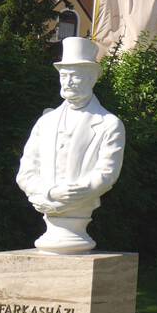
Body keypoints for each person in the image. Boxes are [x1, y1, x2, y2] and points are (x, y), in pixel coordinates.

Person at [16, 37, 125, 253]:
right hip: (47, 200)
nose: (68, 82)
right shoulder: (46, 122)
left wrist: (77, 192)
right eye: (64, 76)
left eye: (75, 76)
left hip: (81, 204)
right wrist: (49, 193)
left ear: (92, 78)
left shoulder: (109, 124)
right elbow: (26, 172)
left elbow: (106, 174)